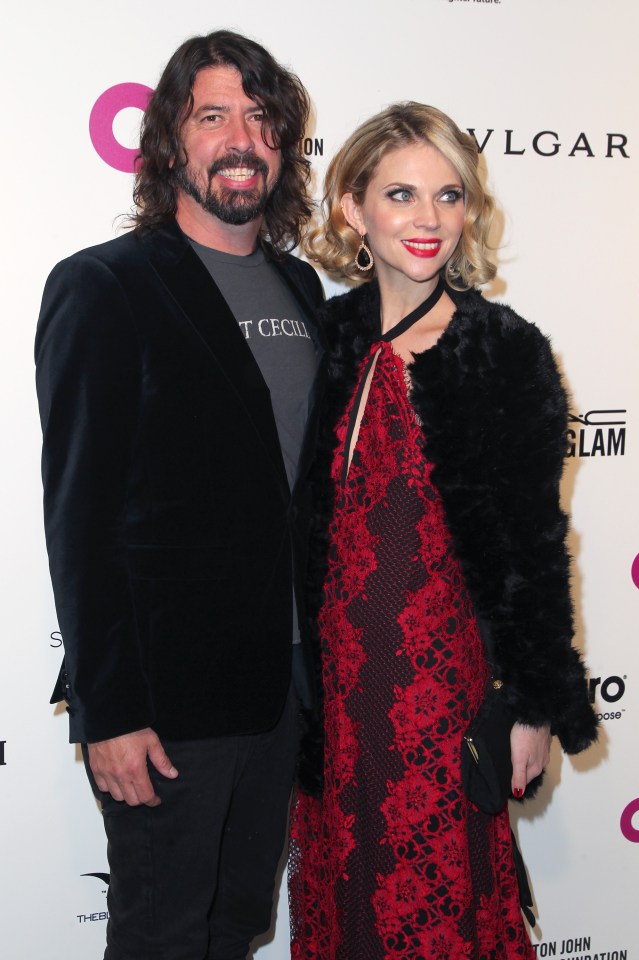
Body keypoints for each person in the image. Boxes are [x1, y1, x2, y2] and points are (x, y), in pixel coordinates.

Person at [35, 30, 323, 960]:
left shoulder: (303, 284)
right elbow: (77, 517)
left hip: (284, 687)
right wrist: (107, 710)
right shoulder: (105, 285)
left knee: (238, 926)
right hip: (166, 704)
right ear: (168, 145)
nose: (242, 136)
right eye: (213, 116)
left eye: (261, 116)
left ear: (282, 144)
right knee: (163, 936)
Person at [288, 103, 598, 960]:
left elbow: (533, 550)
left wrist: (532, 705)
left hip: (444, 696)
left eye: (447, 195)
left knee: (438, 914)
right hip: (334, 697)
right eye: (400, 194)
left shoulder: (502, 350)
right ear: (353, 208)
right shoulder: (319, 341)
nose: (427, 219)